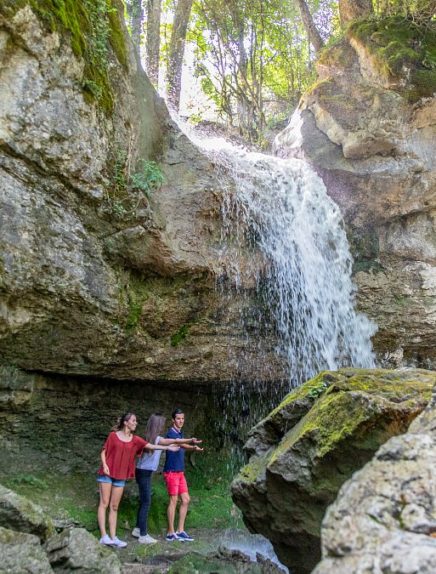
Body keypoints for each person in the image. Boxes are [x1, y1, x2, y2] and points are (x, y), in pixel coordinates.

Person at [97, 412, 179, 548]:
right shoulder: (113, 436)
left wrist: (167, 448)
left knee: (114, 506)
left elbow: (151, 446)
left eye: (136, 421)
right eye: (133, 421)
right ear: (126, 422)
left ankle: (113, 537)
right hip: (106, 474)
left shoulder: (135, 439)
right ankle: (104, 536)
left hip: (120, 476)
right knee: (104, 503)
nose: (136, 423)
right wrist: (105, 465)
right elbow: (103, 451)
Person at [132, 413, 203, 544]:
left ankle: (138, 529)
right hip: (145, 472)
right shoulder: (157, 438)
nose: (163, 427)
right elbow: (174, 441)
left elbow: (173, 443)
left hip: (144, 472)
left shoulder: (151, 437)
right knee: (146, 502)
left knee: (144, 501)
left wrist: (190, 445)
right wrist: (190, 440)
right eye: (162, 424)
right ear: (157, 425)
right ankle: (143, 534)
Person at [163, 408, 204, 542]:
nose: (181, 421)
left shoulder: (180, 433)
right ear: (173, 420)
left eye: (182, 419)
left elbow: (182, 445)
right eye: (178, 419)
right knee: (173, 500)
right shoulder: (171, 433)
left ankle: (180, 530)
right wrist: (191, 441)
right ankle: (170, 532)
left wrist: (193, 448)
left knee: (186, 500)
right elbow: (178, 442)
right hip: (171, 471)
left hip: (180, 472)